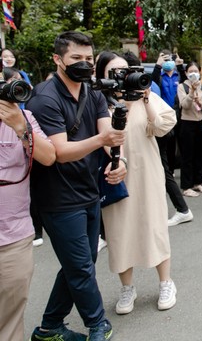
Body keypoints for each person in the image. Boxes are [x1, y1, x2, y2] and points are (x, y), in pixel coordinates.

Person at [26, 31, 127, 341]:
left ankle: (50, 327)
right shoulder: (45, 97)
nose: (84, 65)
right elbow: (59, 153)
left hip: (88, 190)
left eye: (88, 59)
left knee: (80, 264)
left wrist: (119, 160)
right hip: (57, 197)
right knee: (81, 267)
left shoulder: (93, 92)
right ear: (58, 59)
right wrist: (102, 141)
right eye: (76, 59)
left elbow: (106, 133)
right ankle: (99, 325)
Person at [95, 52, 178, 315]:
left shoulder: (146, 95)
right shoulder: (99, 102)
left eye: (125, 70)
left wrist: (144, 98)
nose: (123, 76)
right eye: (115, 72)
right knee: (119, 230)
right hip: (115, 173)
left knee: (154, 225)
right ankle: (127, 288)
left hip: (147, 170)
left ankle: (166, 282)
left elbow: (163, 126)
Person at [0, 90, 56, 341]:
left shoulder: (22, 117)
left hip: (12, 239)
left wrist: (21, 127)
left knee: (9, 322)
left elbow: (48, 156)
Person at [151, 50, 194, 226]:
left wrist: (180, 66)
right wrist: (158, 65)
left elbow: (186, 83)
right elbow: (153, 82)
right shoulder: (158, 76)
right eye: (165, 59)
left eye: (169, 59)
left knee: (165, 164)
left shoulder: (177, 74)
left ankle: (182, 208)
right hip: (161, 122)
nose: (167, 62)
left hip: (171, 119)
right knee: (164, 163)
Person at [177, 61, 202, 197]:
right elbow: (184, 105)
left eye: (195, 71)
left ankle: (198, 183)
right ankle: (186, 186)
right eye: (190, 71)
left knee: (200, 154)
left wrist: (200, 102)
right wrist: (191, 92)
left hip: (201, 122)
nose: (193, 74)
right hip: (187, 123)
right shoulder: (182, 87)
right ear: (186, 73)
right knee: (187, 155)